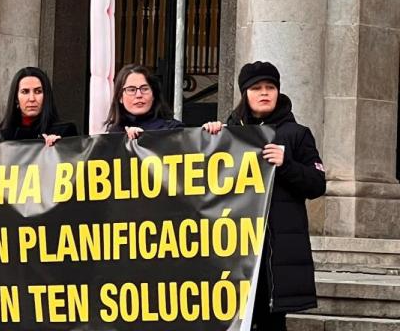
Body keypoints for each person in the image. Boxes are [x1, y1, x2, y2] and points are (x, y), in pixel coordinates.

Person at [203, 61, 326, 331]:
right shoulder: (228, 133)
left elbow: (317, 184)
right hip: (235, 247)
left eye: (270, 87)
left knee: (271, 322)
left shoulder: (297, 134)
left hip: (275, 252)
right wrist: (208, 139)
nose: (264, 93)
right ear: (244, 93)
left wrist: (287, 164)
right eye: (256, 88)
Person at [0, 66, 78, 146]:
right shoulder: (5, 131)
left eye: (38, 91)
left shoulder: (64, 131)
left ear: (46, 96)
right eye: (25, 92)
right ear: (16, 98)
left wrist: (59, 146)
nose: (32, 98)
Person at [105, 63, 183, 141]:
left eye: (144, 89)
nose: (139, 95)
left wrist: (145, 138)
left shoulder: (173, 129)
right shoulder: (113, 133)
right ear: (120, 97)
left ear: (154, 94)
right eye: (131, 90)